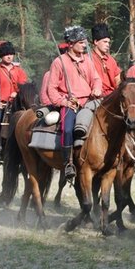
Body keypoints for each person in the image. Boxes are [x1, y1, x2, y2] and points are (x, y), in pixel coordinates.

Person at [47, 26, 102, 182]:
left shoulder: (88, 61)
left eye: (84, 42)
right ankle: (68, 163)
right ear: (70, 44)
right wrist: (63, 101)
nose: (84, 45)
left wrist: (97, 88)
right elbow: (51, 88)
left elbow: (96, 79)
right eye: (80, 42)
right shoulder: (59, 62)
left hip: (90, 102)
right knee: (68, 129)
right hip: (70, 104)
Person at [0, 41, 28, 166]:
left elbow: (24, 87)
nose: (9, 56)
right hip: (0, 105)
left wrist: (17, 93)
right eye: (6, 54)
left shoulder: (19, 71)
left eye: (11, 54)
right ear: (1, 56)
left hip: (16, 105)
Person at [89, 23, 121, 97]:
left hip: (112, 97)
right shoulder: (87, 59)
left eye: (108, 42)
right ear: (96, 42)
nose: (107, 45)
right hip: (96, 97)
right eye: (105, 42)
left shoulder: (111, 60)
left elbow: (118, 79)